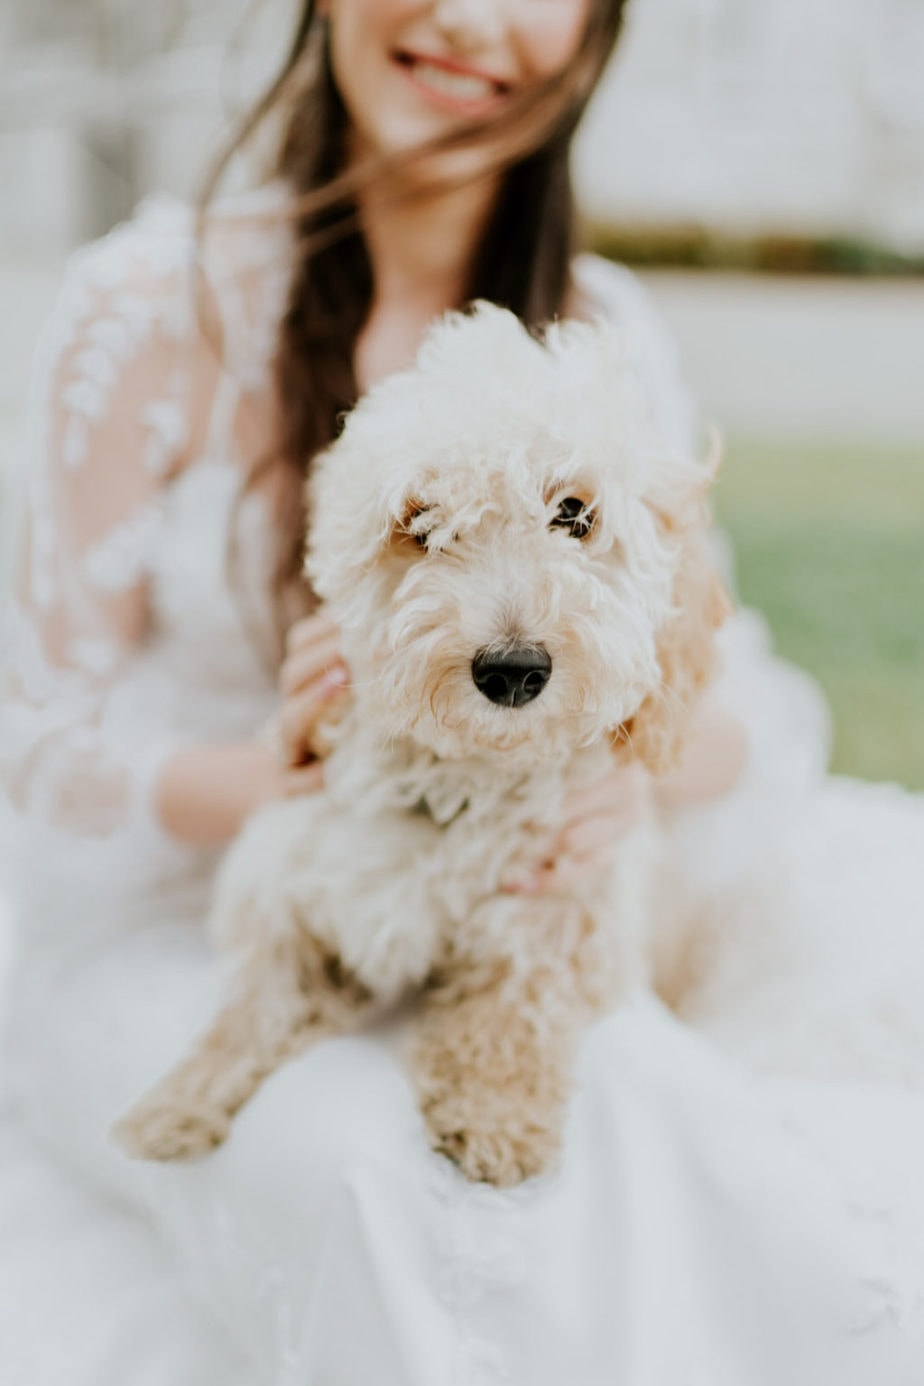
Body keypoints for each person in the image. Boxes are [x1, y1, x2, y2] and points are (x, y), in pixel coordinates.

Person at [1, 2, 924, 1382]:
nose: (472, 17)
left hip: (512, 893)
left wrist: (619, 761)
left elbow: (728, 701)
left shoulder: (608, 333)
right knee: (357, 1168)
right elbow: (37, 739)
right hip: (185, 915)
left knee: (647, 1115)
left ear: (598, 33)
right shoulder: (147, 306)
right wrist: (285, 766)